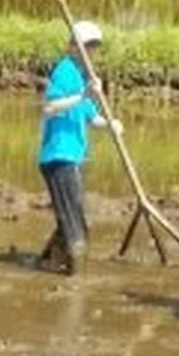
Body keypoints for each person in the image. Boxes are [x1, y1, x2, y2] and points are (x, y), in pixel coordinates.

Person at [36, 20, 122, 275]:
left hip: (73, 156)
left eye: (95, 47)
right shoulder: (64, 70)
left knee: (70, 216)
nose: (92, 52)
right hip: (59, 155)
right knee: (76, 227)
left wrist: (111, 124)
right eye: (87, 47)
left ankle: (47, 262)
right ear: (73, 47)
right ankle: (76, 281)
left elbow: (92, 118)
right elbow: (49, 108)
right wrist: (83, 94)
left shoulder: (83, 76)